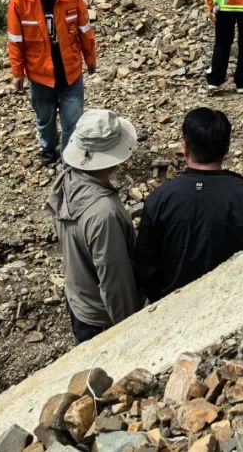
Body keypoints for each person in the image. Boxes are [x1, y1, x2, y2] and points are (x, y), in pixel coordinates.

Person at [134, 107, 243, 301]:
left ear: (184, 147)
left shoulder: (158, 199)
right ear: (226, 148)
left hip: (172, 305)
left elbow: (146, 266)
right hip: (233, 301)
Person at [46, 109, 143, 343]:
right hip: (101, 318)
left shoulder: (67, 180)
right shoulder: (104, 213)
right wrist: (131, 332)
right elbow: (114, 282)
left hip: (79, 301)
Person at [8, 0, 97, 164]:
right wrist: (17, 72)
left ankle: (69, 159)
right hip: (40, 75)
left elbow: (84, 30)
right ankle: (48, 148)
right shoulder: (20, 2)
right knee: (45, 119)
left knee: (73, 120)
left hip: (70, 72)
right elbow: (15, 40)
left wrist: (90, 58)